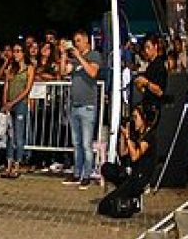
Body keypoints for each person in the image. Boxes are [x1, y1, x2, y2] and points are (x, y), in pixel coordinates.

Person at [61, 31, 103, 189]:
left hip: (87, 106)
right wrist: (64, 54)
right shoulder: (74, 58)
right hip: (75, 105)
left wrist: (79, 57)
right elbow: (63, 71)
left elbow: (93, 72)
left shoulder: (94, 55)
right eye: (74, 41)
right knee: (77, 143)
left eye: (78, 40)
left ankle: (87, 174)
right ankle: (77, 173)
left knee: (86, 144)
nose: (76, 43)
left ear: (86, 41)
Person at [98, 106, 156, 217]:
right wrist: (123, 136)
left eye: (136, 117)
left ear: (143, 119)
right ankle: (126, 194)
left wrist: (128, 137)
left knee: (104, 206)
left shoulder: (149, 137)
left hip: (139, 179)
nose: (134, 121)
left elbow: (135, 156)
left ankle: (131, 203)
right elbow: (123, 152)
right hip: (130, 174)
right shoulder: (137, 134)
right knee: (106, 168)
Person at [0, 43, 35, 178]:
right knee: (10, 135)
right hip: (10, 103)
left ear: (24, 53)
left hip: (20, 103)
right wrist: (5, 102)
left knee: (19, 136)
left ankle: (17, 165)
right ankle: (8, 164)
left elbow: (27, 89)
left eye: (18, 51)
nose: (16, 54)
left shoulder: (29, 68)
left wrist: (13, 102)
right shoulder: (11, 68)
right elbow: (6, 85)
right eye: (14, 51)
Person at [134, 35, 167, 127]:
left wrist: (146, 82)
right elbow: (146, 90)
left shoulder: (159, 66)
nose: (146, 51)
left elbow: (160, 91)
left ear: (155, 46)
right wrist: (140, 85)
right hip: (146, 106)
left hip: (154, 108)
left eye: (148, 47)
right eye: (145, 48)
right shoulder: (150, 66)